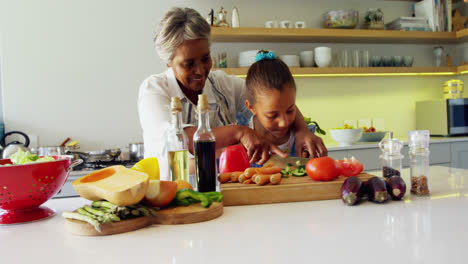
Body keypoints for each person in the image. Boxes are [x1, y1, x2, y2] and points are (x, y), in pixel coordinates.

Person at [138, 7, 327, 179]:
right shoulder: (154, 89)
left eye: (205, 58)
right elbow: (179, 138)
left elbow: (270, 98)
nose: (200, 70)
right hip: (172, 191)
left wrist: (301, 130)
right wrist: (239, 132)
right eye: (189, 64)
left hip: (223, 189)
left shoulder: (222, 83)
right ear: (168, 62)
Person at [245, 50, 306, 157]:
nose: (284, 123)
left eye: (290, 110)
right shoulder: (241, 139)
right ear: (251, 107)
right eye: (272, 115)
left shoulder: (306, 138)